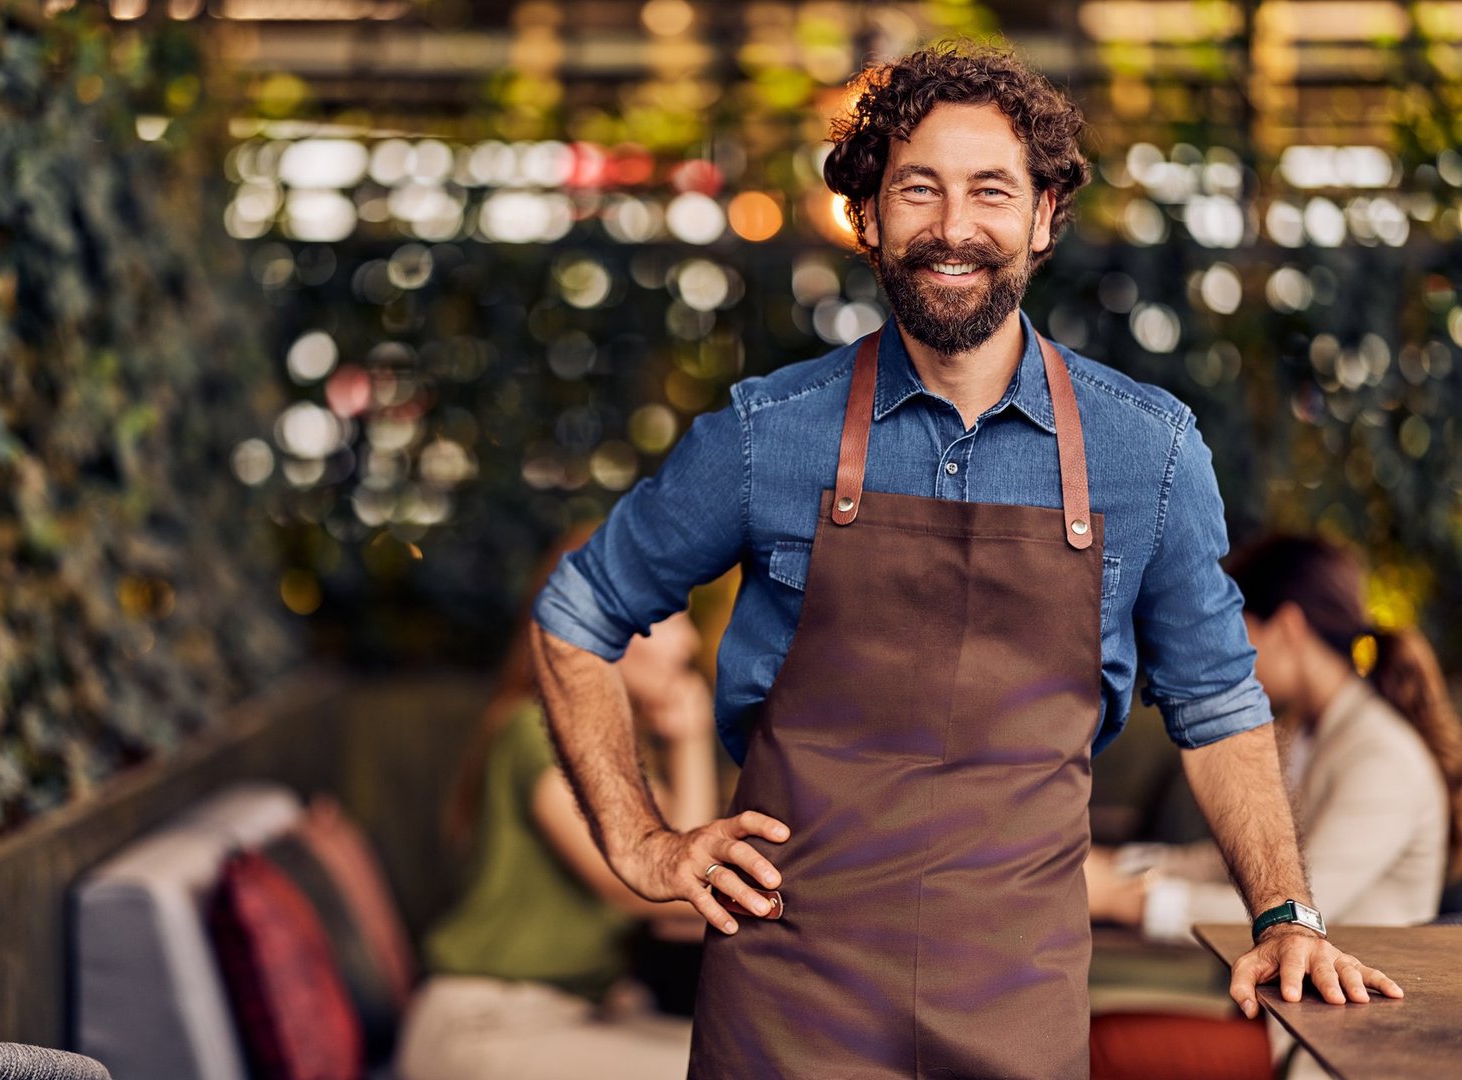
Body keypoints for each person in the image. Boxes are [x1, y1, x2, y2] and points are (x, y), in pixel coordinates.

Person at [528, 40, 1401, 1079]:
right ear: (868, 219)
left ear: (1041, 218)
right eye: (916, 190)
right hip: (786, 1001)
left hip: (1016, 999)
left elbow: (1217, 704)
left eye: (991, 190)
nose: (953, 227)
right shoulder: (770, 436)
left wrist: (1286, 913)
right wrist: (643, 844)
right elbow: (576, 614)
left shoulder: (1147, 453)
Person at [1086, 534, 1461, 1079]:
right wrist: (1120, 867)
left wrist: (1127, 900)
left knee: (1101, 1048)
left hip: (1329, 1048)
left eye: (1239, 634)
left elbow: (1293, 914)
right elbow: (1243, 860)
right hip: (1279, 1016)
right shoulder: (1314, 734)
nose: (1231, 657)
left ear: (1286, 627)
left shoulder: (1381, 757)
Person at [395, 562, 717, 1080]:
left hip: (575, 1017)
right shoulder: (540, 729)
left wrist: (690, 739)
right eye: (670, 618)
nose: (690, 643)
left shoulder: (620, 753)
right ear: (601, 624)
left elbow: (683, 881)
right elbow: (660, 892)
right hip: (486, 1023)